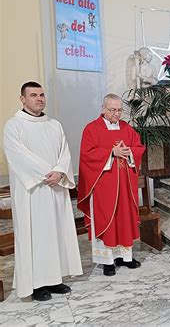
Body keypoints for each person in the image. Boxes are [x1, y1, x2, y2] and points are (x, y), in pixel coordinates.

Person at [3, 81, 82, 301]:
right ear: (23, 99)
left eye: (42, 94)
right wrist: (49, 173)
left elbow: (64, 151)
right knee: (36, 235)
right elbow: (18, 156)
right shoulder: (13, 125)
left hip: (55, 188)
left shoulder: (54, 124)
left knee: (55, 233)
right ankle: (36, 285)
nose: (39, 98)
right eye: (33, 95)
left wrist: (59, 171)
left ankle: (55, 279)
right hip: (33, 191)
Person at [77, 94, 145, 276]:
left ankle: (125, 257)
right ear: (103, 109)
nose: (117, 114)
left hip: (124, 186)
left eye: (119, 110)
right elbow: (86, 155)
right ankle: (107, 260)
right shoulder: (92, 129)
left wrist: (129, 151)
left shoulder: (126, 128)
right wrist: (111, 153)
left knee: (124, 219)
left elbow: (139, 147)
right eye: (112, 110)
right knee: (106, 219)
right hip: (103, 187)